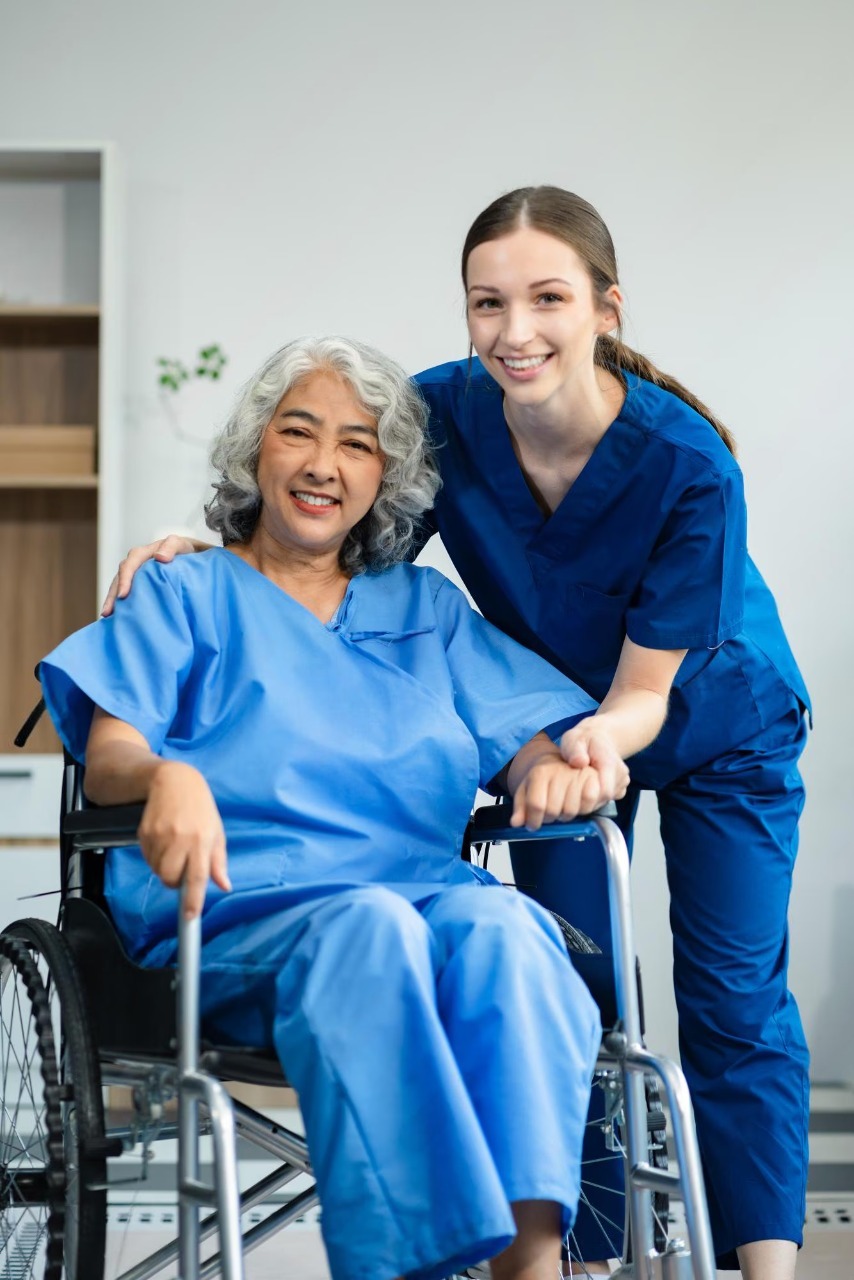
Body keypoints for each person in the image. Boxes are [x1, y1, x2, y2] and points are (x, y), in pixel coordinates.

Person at [105, 188, 811, 1280]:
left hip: (689, 713)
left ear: (605, 310)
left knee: (722, 994)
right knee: (577, 983)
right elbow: (326, 546)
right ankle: (573, 1250)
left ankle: (752, 1266)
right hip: (518, 749)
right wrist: (204, 549)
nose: (513, 329)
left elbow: (627, 694)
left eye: (546, 298)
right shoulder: (435, 416)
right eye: (489, 302)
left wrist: (561, 750)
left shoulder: (684, 465)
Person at [41, 336, 644, 1280]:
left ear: (385, 479)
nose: (324, 464)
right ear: (256, 456)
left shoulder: (426, 609)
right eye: (299, 432)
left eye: (358, 444)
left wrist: (549, 767)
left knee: (511, 935)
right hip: (240, 908)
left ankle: (532, 1269)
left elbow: (526, 735)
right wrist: (168, 778)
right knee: (369, 929)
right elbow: (114, 748)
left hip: (421, 898)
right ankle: (407, 1263)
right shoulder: (184, 590)